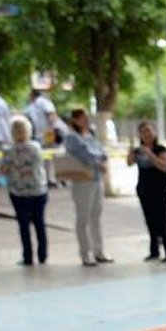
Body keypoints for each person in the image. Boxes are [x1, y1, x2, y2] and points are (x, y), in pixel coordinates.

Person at [63, 108, 111, 266]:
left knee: (96, 215)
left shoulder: (90, 135)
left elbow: (101, 152)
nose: (86, 121)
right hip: (83, 181)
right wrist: (98, 162)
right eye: (82, 118)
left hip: (96, 179)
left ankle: (99, 250)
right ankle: (86, 253)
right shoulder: (72, 138)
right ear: (75, 120)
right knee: (83, 217)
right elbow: (85, 156)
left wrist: (99, 160)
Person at [0, 115, 49, 266]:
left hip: (18, 191)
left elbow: (2, 170)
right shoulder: (36, 147)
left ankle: (28, 256)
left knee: (23, 225)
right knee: (40, 223)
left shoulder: (8, 151)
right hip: (38, 190)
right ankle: (42, 254)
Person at [127, 121, 166, 262]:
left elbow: (165, 167)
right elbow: (129, 162)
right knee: (150, 222)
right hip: (144, 191)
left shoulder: (161, 149)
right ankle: (154, 251)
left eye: (149, 131)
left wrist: (150, 155)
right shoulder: (139, 151)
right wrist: (131, 152)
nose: (147, 134)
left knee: (162, 222)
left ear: (154, 133)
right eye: (143, 132)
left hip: (160, 191)